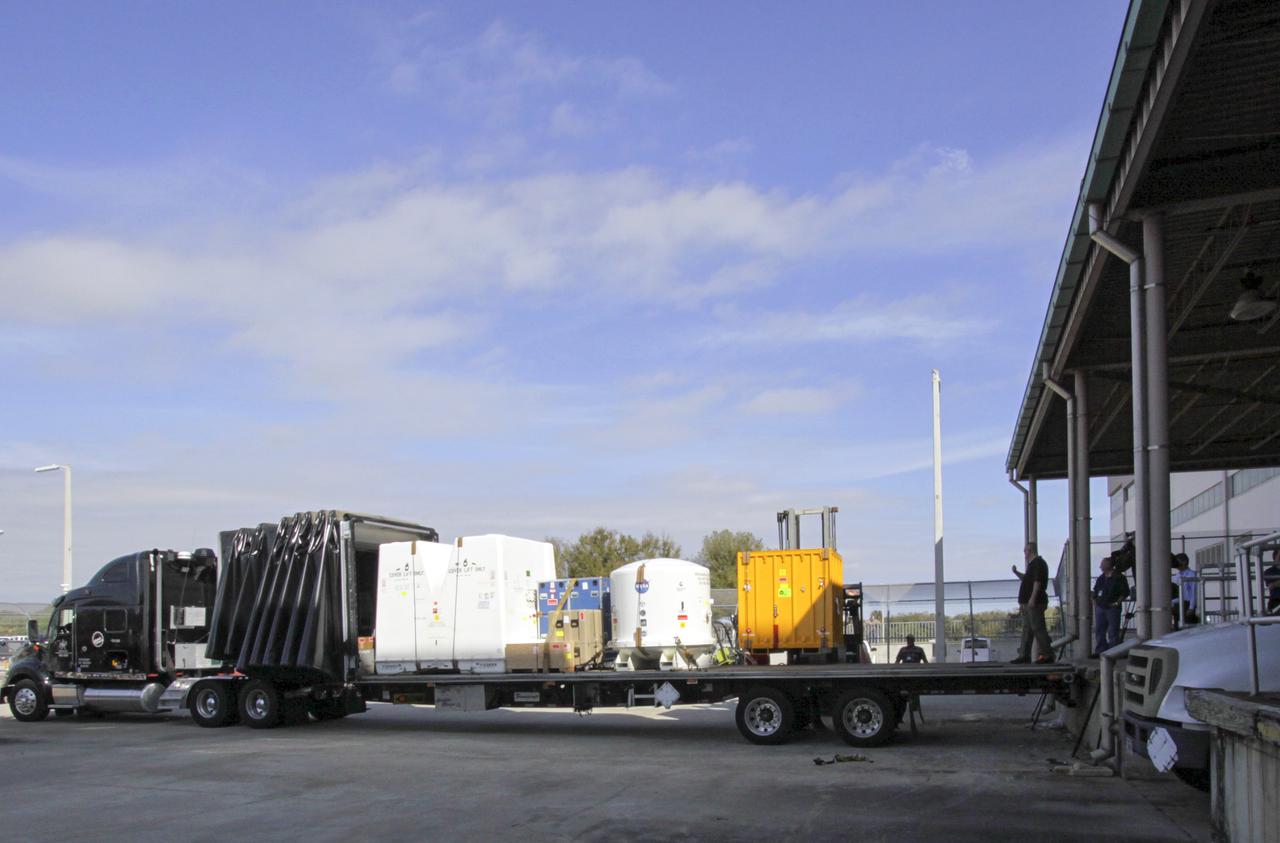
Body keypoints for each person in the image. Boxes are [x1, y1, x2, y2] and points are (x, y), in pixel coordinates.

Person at [1011, 542, 1053, 664]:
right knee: (1028, 628)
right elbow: (1027, 579)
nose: (1024, 553)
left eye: (1025, 551)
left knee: (1037, 627)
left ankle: (1047, 654)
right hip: (1028, 602)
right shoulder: (1032, 565)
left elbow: (1037, 582)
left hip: (1034, 602)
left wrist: (1032, 598)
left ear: (1030, 550)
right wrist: (1016, 572)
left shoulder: (1038, 563)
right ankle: (1024, 655)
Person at [1092, 556, 1129, 655]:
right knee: (1100, 630)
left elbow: (1125, 592)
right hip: (1100, 607)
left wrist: (1117, 603)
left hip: (1112, 608)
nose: (1100, 566)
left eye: (1102, 564)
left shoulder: (1119, 577)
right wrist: (1095, 602)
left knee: (1113, 630)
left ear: (1108, 565)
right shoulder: (1101, 578)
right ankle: (1100, 651)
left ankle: (1112, 652)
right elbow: (1095, 591)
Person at [1172, 553, 1198, 627]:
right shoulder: (1177, 576)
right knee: (1177, 626)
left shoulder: (1191, 575)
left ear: (1184, 562)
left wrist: (1191, 607)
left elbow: (1194, 592)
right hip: (1178, 604)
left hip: (1187, 604)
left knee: (1187, 626)